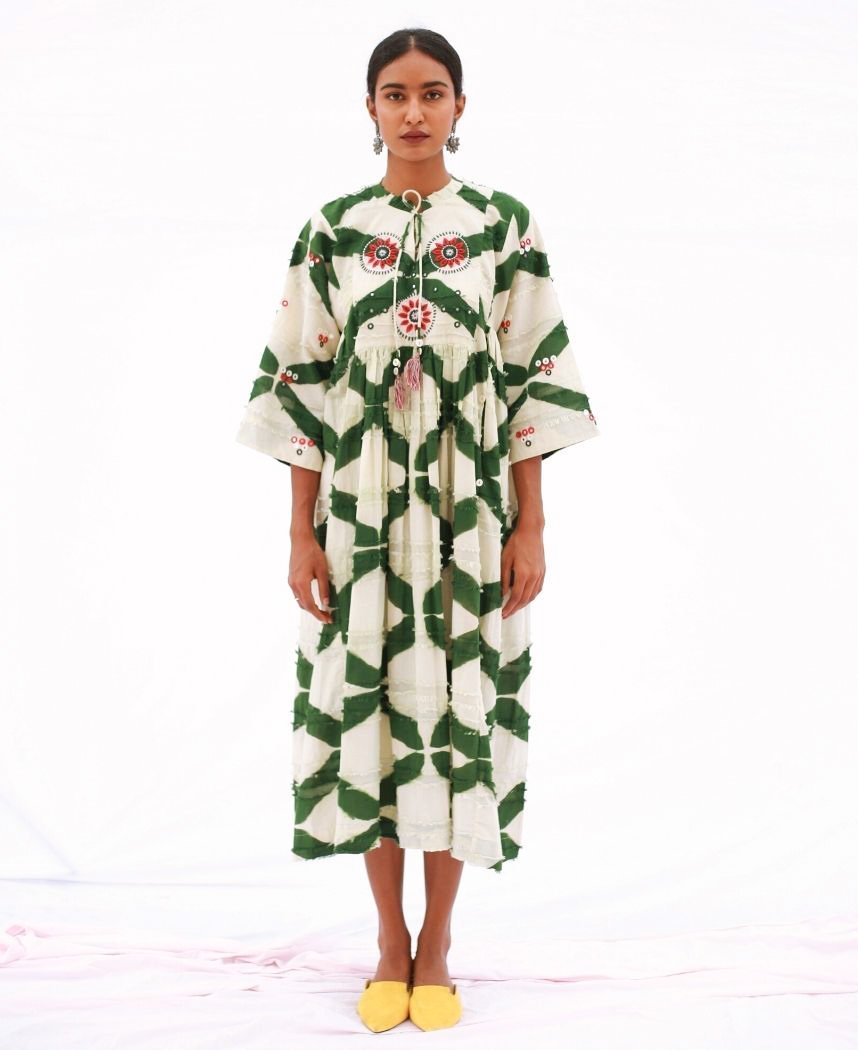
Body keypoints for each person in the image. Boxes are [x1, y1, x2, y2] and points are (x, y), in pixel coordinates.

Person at [235, 26, 600, 1033]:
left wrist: (531, 527)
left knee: (452, 717)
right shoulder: (332, 230)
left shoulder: (501, 227)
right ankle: (386, 946)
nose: (413, 110)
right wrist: (300, 534)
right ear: (370, 108)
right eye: (394, 94)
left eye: (432, 92)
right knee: (375, 717)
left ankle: (437, 944)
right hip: (357, 516)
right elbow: (300, 388)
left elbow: (532, 385)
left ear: (459, 107)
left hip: (468, 518)